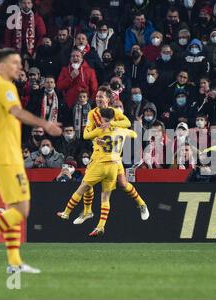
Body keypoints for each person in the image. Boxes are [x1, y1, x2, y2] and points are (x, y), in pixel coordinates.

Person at [0, 48, 62, 274]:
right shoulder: (2, 87)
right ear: (3, 65)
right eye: (15, 63)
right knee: (21, 210)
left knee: (13, 209)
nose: (19, 67)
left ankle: (14, 262)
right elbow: (17, 111)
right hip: (5, 156)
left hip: (7, 154)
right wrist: (45, 125)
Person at [57, 86, 149, 224]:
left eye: (101, 97)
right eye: (97, 96)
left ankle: (142, 204)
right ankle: (87, 212)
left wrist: (111, 124)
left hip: (113, 156)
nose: (99, 99)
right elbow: (86, 134)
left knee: (123, 184)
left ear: (108, 99)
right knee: (86, 183)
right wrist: (99, 132)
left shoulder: (113, 112)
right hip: (97, 153)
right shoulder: (92, 114)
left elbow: (127, 123)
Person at [57, 107, 138, 236]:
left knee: (82, 187)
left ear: (102, 119)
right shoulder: (121, 130)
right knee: (105, 196)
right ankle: (100, 226)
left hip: (101, 164)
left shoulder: (100, 129)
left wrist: (91, 131)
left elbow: (86, 135)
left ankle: (66, 213)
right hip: (114, 166)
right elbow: (134, 134)